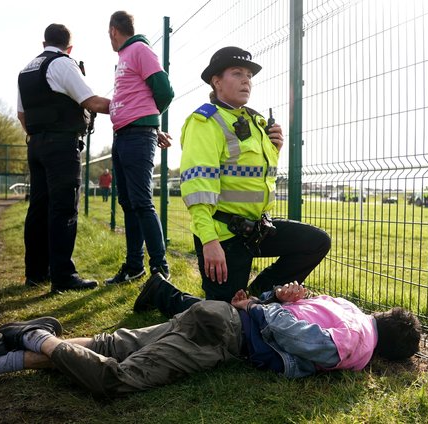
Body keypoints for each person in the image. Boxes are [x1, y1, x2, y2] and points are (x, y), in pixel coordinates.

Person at [0, 278, 421, 399]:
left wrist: (263, 301)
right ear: (387, 352)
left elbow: (296, 307)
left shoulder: (348, 307)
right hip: (224, 336)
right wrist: (264, 310)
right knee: (118, 381)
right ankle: (37, 338)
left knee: (117, 342)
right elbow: (310, 343)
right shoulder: (358, 342)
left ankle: (3, 359)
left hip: (215, 314)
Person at [179, 46, 332, 305]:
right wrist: (209, 241)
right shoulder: (205, 122)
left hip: (256, 229)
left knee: (315, 242)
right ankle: (162, 293)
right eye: (237, 73)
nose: (246, 80)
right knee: (223, 319)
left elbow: (260, 176)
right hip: (223, 235)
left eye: (249, 75)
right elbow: (198, 187)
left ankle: (254, 296)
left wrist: (276, 150)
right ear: (217, 81)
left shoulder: (256, 121)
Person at [18, 23, 111, 293]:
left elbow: (21, 115)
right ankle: (63, 276)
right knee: (64, 209)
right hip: (61, 144)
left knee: (38, 209)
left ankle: (35, 273)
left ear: (43, 42)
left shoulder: (26, 70)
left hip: (35, 144)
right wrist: (128, 107)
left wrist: (39, 137)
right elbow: (91, 101)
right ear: (69, 47)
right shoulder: (63, 64)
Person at [103, 11, 174, 286]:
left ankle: (160, 268)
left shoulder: (140, 49)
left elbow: (164, 90)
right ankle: (134, 267)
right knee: (128, 203)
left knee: (142, 202)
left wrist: (148, 122)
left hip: (136, 136)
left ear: (113, 31)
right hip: (122, 136)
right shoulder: (123, 58)